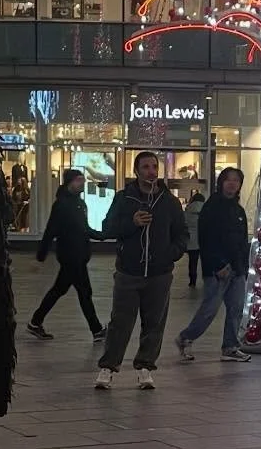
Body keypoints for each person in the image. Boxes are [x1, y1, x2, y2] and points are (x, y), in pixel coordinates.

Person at [95, 150, 187, 390]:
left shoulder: (169, 201)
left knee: (154, 322)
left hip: (159, 273)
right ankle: (108, 367)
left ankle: (145, 367)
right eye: (145, 167)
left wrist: (171, 253)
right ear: (136, 171)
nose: (151, 171)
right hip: (129, 272)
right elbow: (108, 229)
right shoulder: (124, 198)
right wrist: (131, 223)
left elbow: (182, 233)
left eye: (154, 167)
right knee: (120, 322)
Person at [176, 167, 251, 362]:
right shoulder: (211, 207)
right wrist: (218, 265)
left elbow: (242, 240)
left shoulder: (238, 210)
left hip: (237, 269)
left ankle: (230, 346)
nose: (232, 183)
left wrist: (242, 265)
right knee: (210, 309)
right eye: (228, 180)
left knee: (236, 308)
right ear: (221, 182)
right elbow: (207, 239)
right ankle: (185, 337)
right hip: (218, 270)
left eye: (236, 180)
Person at [29, 169, 105, 342]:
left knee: (59, 290)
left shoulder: (79, 203)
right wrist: (40, 257)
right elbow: (50, 231)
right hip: (71, 256)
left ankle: (35, 321)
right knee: (85, 292)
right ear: (69, 182)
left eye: (83, 179)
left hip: (78, 255)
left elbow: (83, 229)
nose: (82, 183)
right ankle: (97, 330)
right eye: (79, 180)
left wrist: (102, 235)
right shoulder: (62, 204)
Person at [183, 187, 206, 286]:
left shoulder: (187, 211)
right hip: (204, 240)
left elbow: (183, 225)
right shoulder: (206, 209)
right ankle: (206, 279)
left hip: (191, 241)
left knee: (193, 262)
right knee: (206, 261)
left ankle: (192, 280)